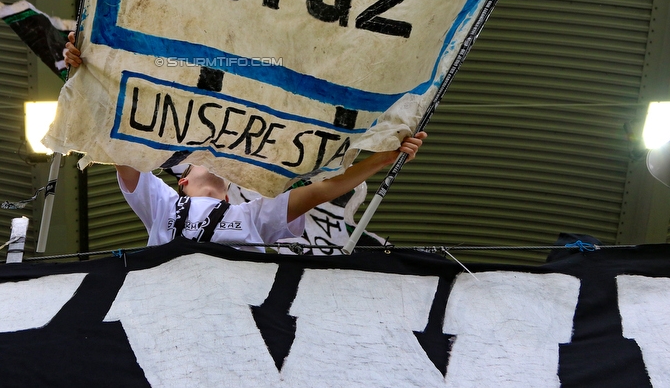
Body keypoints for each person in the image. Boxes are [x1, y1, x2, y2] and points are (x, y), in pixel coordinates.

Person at [63, 33, 426, 249]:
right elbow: (120, 139)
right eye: (200, 154)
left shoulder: (255, 215)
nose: (214, 151)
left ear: (231, 191)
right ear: (183, 179)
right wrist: (88, 69)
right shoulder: (159, 203)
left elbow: (326, 189)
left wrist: (386, 156)